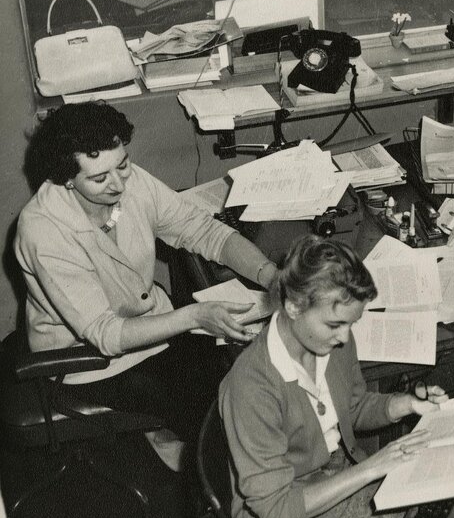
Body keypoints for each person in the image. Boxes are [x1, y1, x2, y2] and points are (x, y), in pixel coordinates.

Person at [219, 236, 454, 518]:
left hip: (343, 482)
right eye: (335, 324)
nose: (345, 338)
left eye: (350, 324)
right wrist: (370, 469)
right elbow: (276, 511)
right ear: (294, 306)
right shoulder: (251, 387)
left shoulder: (328, 342)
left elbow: (351, 407)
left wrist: (404, 404)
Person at [14, 102, 278, 456]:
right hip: (88, 358)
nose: (119, 183)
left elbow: (200, 229)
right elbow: (107, 334)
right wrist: (195, 317)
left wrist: (270, 274)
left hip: (150, 324)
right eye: (99, 178)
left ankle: (180, 443)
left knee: (242, 375)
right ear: (67, 179)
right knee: (218, 414)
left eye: (122, 165)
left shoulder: (128, 182)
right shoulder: (43, 230)